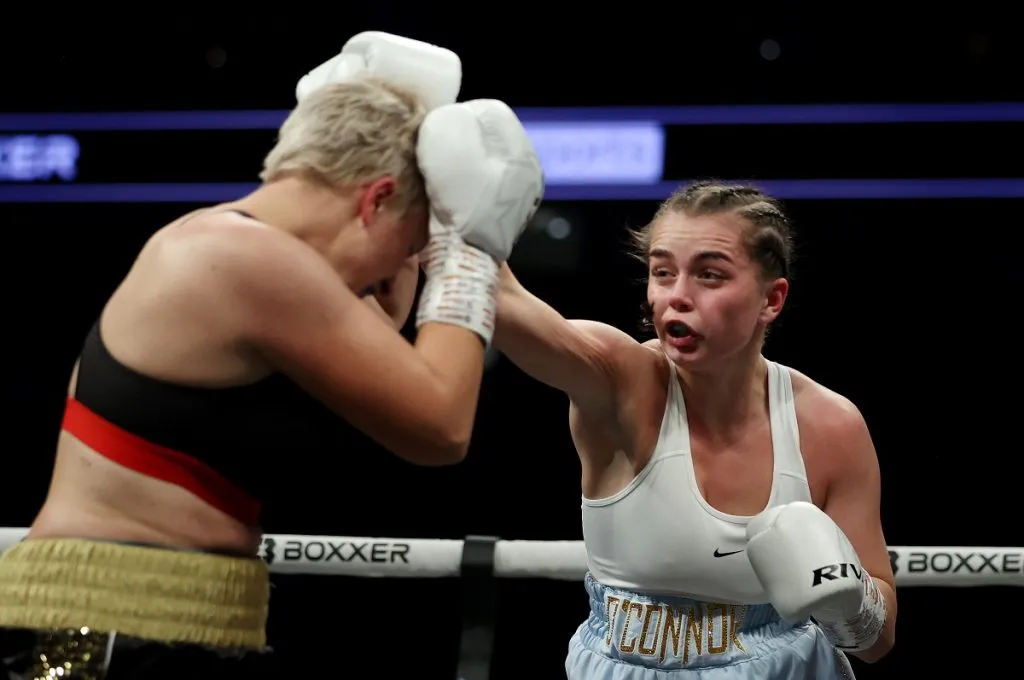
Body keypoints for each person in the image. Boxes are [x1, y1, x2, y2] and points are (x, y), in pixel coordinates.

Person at [0, 32, 544, 679]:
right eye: (413, 243)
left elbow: (393, 345)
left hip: (180, 617)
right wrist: (469, 249)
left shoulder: (274, 270)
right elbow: (439, 423)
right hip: (109, 617)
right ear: (373, 200)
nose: (410, 266)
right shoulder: (239, 258)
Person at [493, 181, 896, 679]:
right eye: (663, 272)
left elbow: (878, 642)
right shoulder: (620, 384)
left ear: (771, 299)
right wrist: (461, 216)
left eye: (709, 275)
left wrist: (847, 599)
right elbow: (502, 305)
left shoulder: (829, 426)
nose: (676, 297)